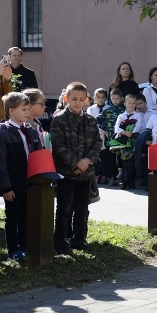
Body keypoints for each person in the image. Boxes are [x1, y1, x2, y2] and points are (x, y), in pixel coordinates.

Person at [51, 82, 102, 254]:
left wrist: (87, 160)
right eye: (73, 99)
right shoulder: (59, 120)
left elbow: (97, 142)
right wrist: (75, 162)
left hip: (86, 173)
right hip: (67, 172)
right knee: (64, 208)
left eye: (81, 99)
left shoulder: (90, 120)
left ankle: (79, 239)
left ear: (87, 100)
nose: (77, 103)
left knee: (82, 208)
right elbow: (58, 146)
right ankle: (59, 241)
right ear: (66, 99)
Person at [0, 91, 42, 261]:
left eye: (28, 108)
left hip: (28, 182)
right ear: (11, 111)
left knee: (25, 216)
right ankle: (13, 248)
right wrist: (6, 187)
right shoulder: (3, 133)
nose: (27, 112)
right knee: (13, 217)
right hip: (13, 186)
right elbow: (1, 163)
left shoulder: (30, 129)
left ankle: (24, 246)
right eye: (23, 109)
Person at [112, 94, 145, 190]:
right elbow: (116, 128)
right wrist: (124, 132)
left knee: (131, 160)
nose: (131, 105)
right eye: (129, 103)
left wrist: (132, 132)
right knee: (124, 160)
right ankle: (129, 181)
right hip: (123, 140)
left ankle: (128, 181)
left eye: (133, 103)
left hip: (133, 140)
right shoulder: (121, 116)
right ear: (125, 103)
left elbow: (138, 127)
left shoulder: (138, 115)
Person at [98, 88, 125, 185]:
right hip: (111, 139)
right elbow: (99, 119)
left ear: (121, 99)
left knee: (123, 158)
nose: (115, 101)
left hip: (123, 139)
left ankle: (125, 178)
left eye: (117, 98)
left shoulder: (124, 110)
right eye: (113, 98)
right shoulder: (107, 111)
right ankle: (111, 177)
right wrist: (106, 128)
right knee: (111, 159)